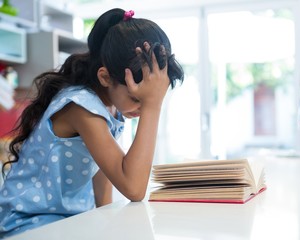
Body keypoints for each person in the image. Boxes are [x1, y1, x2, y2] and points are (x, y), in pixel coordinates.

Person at [0, 8, 184, 238]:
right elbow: (134, 188)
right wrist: (152, 106)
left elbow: (104, 166)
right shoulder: (82, 106)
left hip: (68, 219)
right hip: (28, 223)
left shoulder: (108, 103)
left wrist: (105, 219)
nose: (141, 107)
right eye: (137, 99)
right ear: (105, 77)